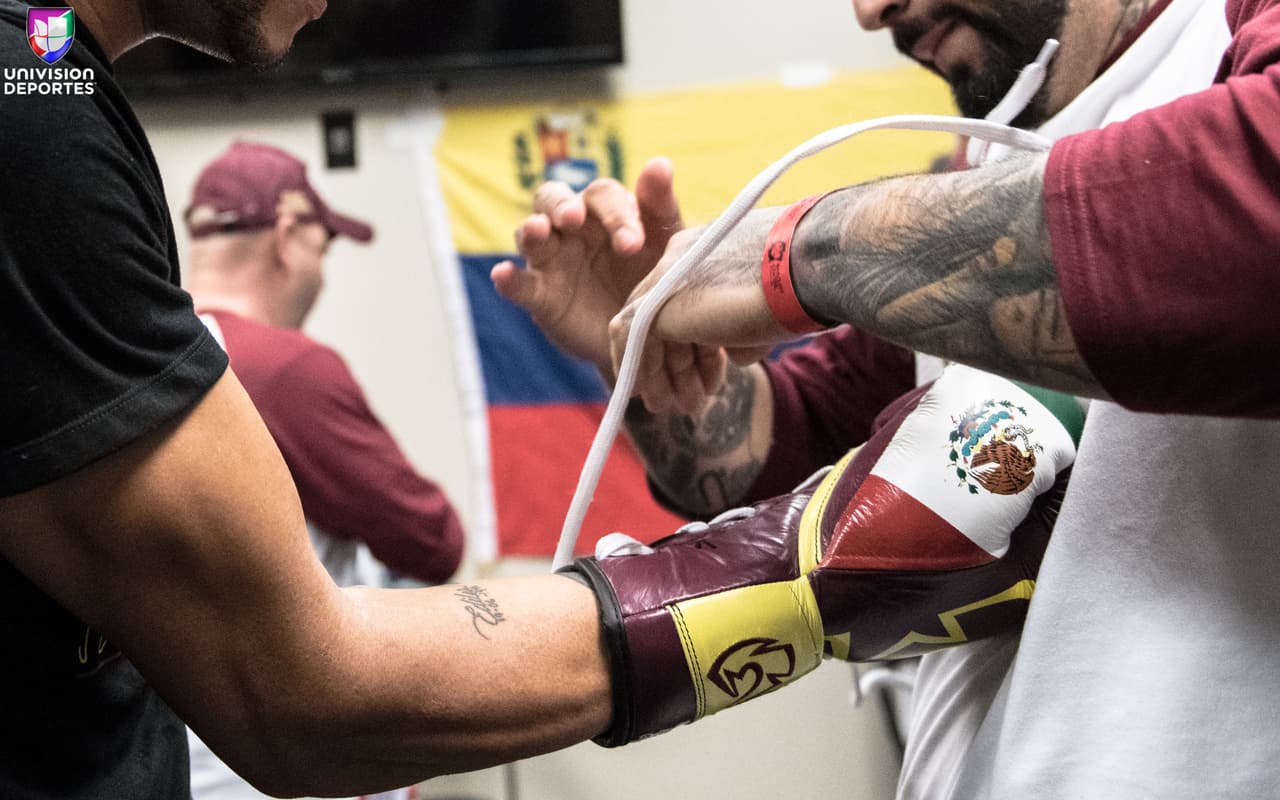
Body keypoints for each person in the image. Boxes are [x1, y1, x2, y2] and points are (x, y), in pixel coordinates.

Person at [0, 1, 1079, 797]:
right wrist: (800, 573)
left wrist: (655, 376)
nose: (870, 10)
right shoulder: (27, 106)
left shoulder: (48, 74)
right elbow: (301, 686)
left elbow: (783, 430)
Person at [502, 0, 1280, 795]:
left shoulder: (1229, 32)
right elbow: (793, 445)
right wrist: (640, 352)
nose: (872, 13)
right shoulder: (981, 163)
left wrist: (794, 251)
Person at [181, 140, 466, 799]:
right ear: (287, 234)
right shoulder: (284, 370)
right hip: (290, 766)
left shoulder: (139, 358)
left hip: (180, 752)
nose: (322, 273)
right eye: (322, 248)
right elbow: (434, 542)